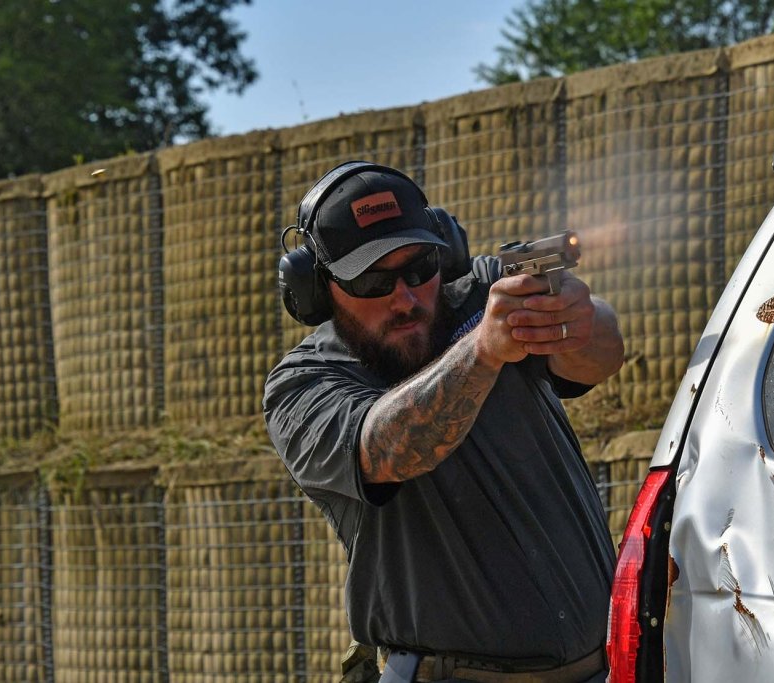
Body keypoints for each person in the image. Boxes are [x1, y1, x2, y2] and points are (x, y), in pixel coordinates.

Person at [263, 161, 625, 683]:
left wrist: (577, 321)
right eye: (372, 281)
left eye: (419, 268)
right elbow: (385, 450)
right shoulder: (303, 383)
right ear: (319, 288)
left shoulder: (482, 292)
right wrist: (483, 352)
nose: (405, 298)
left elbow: (603, 353)